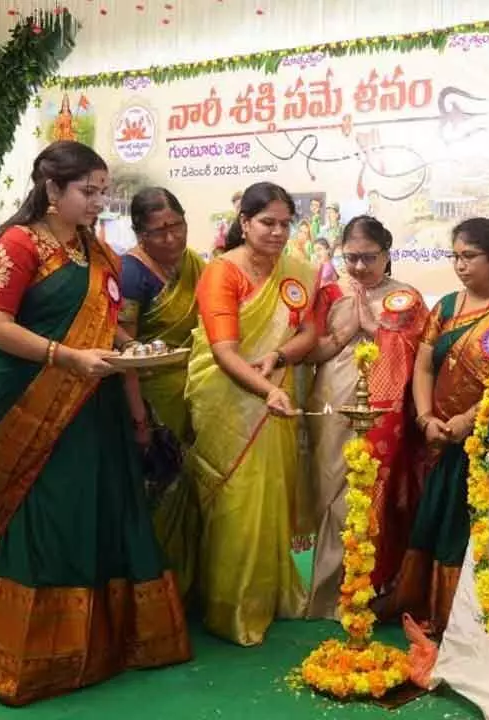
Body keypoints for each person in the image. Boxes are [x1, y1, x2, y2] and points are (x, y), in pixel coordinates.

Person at [0, 140, 190, 706]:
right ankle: (38, 659)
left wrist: (135, 350)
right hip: (32, 397)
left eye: (102, 191)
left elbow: (107, 327)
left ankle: (108, 647)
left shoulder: (96, 250)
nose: (100, 202)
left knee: (103, 504)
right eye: (88, 192)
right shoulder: (17, 245)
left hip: (96, 400)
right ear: (52, 191)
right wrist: (65, 357)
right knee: (51, 509)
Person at [184, 181, 319, 646]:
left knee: (271, 493)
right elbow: (224, 351)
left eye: (286, 224)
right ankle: (231, 606)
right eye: (267, 222)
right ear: (244, 223)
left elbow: (309, 334)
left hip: (271, 387)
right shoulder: (222, 272)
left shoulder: (297, 270)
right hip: (229, 397)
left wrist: (279, 360)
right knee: (236, 498)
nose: (279, 233)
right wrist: (267, 391)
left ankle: (270, 595)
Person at [387, 217, 489, 636]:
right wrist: (426, 418)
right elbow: (424, 367)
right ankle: (420, 603)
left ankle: (457, 620)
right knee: (433, 517)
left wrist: (468, 420)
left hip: (483, 440)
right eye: (456, 256)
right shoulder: (445, 307)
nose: (461, 265)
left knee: (463, 524)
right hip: (438, 436)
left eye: (470, 256)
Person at [304, 215, 429, 618]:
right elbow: (311, 351)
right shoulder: (329, 292)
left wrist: (376, 328)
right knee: (330, 492)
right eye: (351, 257)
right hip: (331, 400)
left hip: (383, 410)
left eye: (369, 258)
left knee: (370, 492)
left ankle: (370, 590)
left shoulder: (405, 298)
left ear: (387, 254)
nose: (359, 267)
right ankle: (326, 596)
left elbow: (419, 357)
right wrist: (345, 334)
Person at [118, 187, 206, 600]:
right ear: (139, 233)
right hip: (148, 397)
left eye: (177, 226)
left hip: (193, 393)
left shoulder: (195, 265)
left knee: (191, 491)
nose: (172, 239)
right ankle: (153, 596)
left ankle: (186, 588)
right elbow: (126, 351)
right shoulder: (131, 274)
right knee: (156, 492)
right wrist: (140, 421)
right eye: (158, 232)